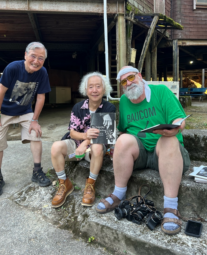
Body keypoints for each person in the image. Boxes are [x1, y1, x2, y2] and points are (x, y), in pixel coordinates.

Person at [96, 66, 190, 236]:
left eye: (131, 77)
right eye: (124, 82)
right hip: (141, 154)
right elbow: (124, 130)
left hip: (167, 153)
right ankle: (118, 194)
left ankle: (171, 207)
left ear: (139, 75)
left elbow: (179, 119)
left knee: (168, 140)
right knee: (123, 139)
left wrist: (174, 128)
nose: (129, 83)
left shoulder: (161, 91)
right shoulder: (124, 101)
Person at [0, 42, 51, 198]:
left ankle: (37, 171)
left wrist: (35, 120)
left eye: (41, 58)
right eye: (33, 56)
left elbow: (41, 97)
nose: (36, 61)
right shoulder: (13, 68)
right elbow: (0, 92)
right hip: (3, 110)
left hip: (24, 110)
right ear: (25, 55)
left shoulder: (42, 72)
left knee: (36, 134)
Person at [51, 72, 116, 208]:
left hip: (94, 148)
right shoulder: (78, 107)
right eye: (90, 87)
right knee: (56, 147)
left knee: (97, 146)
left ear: (104, 89)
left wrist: (85, 144)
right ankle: (64, 183)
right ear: (85, 90)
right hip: (76, 144)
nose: (94, 90)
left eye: (98, 86)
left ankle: (90, 185)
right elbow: (73, 132)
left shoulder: (109, 108)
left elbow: (104, 136)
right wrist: (85, 137)